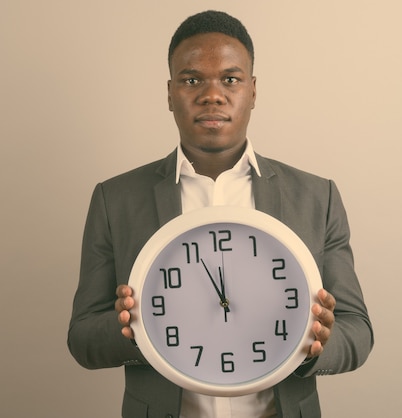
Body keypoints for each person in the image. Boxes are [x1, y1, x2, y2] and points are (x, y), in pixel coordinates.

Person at [67, 10, 373, 418]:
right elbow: (84, 337)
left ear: (253, 91)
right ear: (170, 93)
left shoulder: (317, 197)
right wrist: (133, 329)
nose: (212, 94)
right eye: (192, 80)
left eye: (230, 79)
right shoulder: (116, 199)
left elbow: (358, 329)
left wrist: (318, 341)